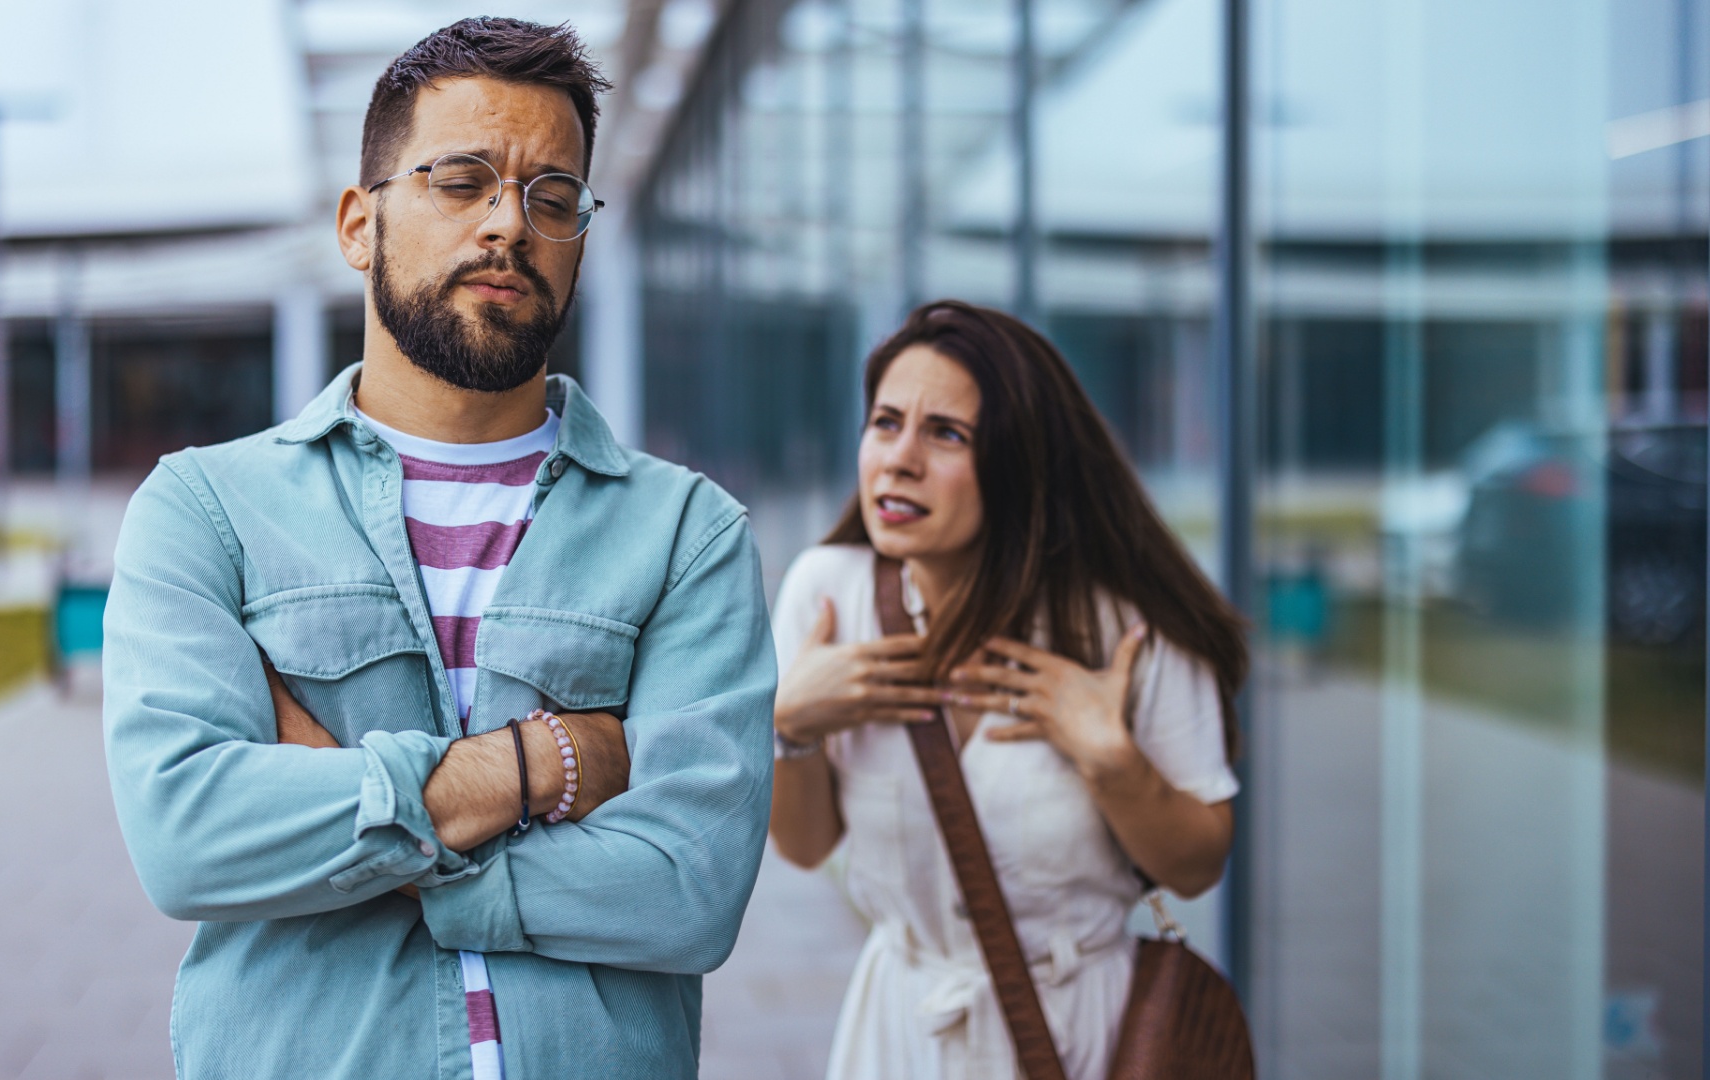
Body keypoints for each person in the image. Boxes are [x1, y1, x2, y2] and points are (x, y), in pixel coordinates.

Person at [102, 19, 776, 1080]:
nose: (509, 224)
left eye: (553, 198)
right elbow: (188, 839)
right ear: (358, 224)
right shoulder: (206, 510)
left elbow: (688, 892)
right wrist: (535, 765)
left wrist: (379, 839)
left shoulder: (688, 534)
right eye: (461, 181)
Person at [767, 301, 1246, 1080]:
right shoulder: (827, 597)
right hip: (899, 1036)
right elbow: (807, 844)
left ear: (1022, 461)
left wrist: (1113, 764)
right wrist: (790, 724)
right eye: (885, 423)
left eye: (946, 434)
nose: (899, 459)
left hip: (1080, 1036)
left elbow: (1198, 865)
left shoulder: (1128, 628)